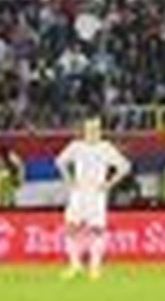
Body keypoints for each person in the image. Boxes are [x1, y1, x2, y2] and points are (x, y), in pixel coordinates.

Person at [56, 116, 131, 281]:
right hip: (78, 193)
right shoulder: (76, 146)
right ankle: (75, 265)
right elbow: (60, 162)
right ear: (84, 130)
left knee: (97, 230)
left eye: (96, 128)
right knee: (71, 227)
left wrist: (109, 183)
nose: (93, 132)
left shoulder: (105, 148)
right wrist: (69, 179)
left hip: (97, 194)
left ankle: (94, 267)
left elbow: (125, 166)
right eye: (89, 128)